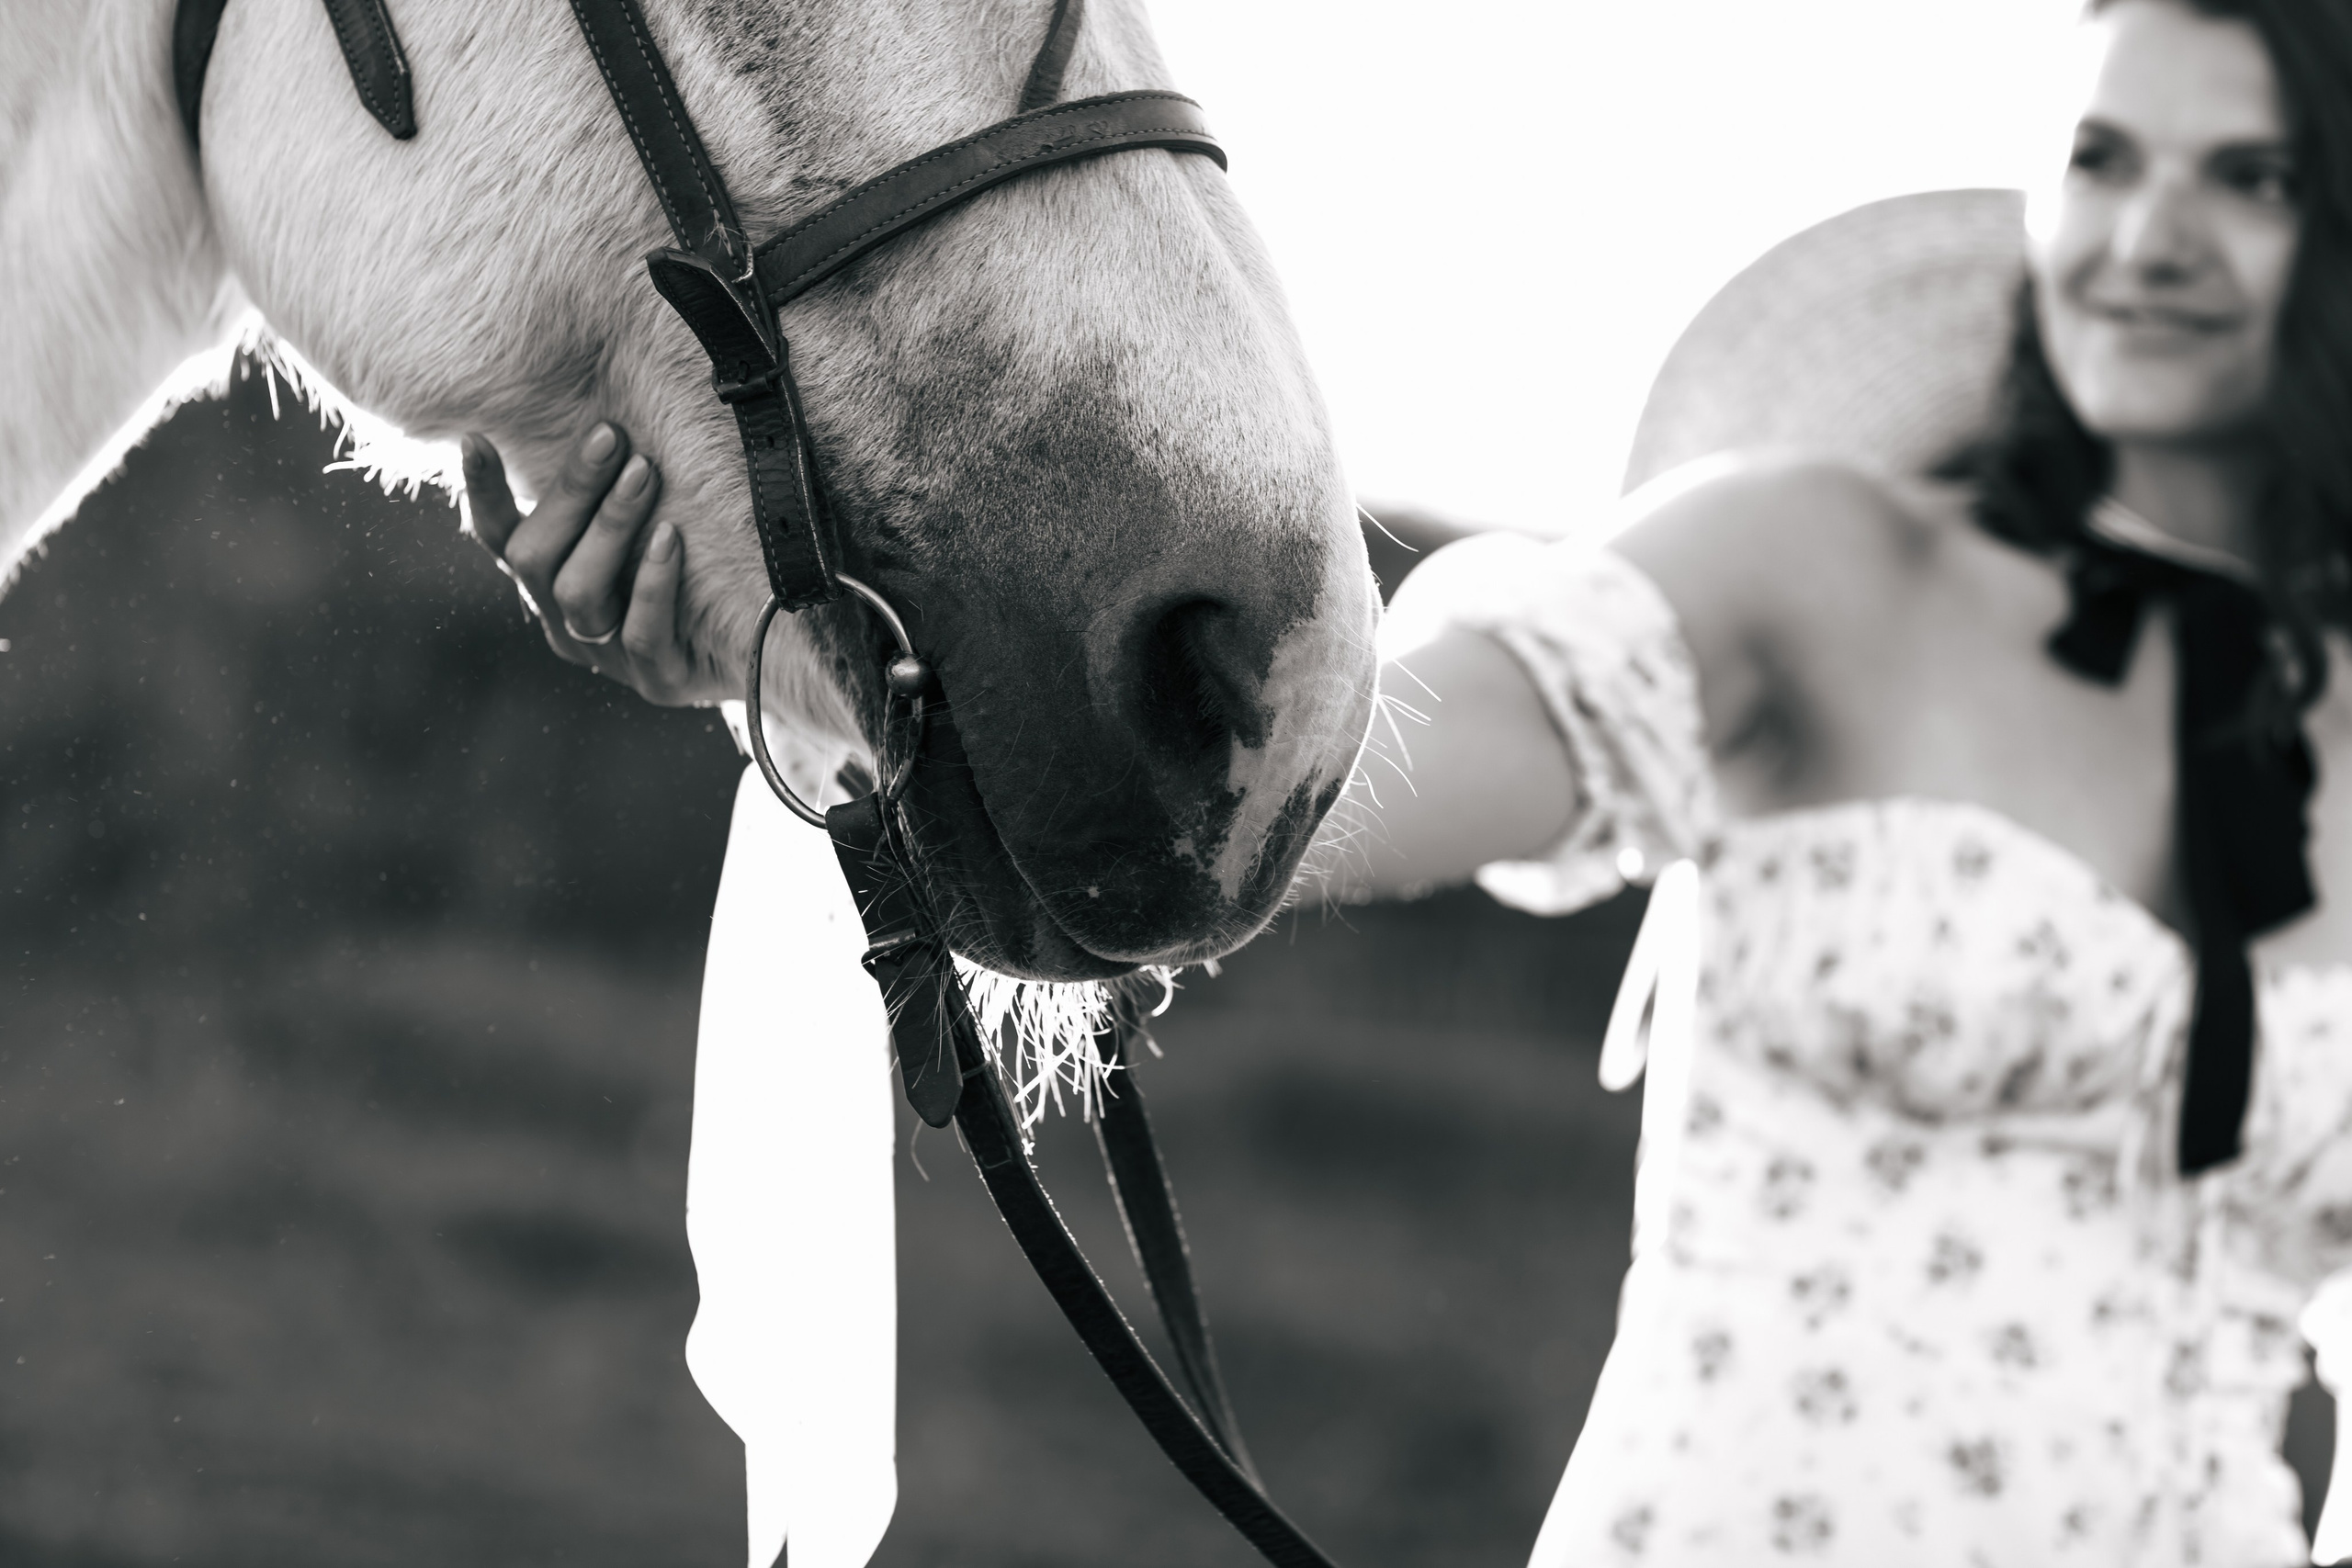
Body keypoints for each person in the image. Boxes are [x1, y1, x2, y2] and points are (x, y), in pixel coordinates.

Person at [464, 0, 2352, 1561]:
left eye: (2241, 179)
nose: (2142, 237)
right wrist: (850, 664)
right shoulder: (1823, 570)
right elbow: (1325, 761)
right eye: (2100, 161)